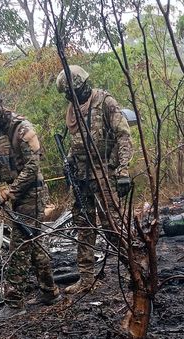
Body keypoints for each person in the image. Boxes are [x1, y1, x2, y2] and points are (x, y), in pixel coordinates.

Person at [0, 90, 62, 320]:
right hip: (18, 198)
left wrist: (9, 192)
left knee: (18, 248)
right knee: (35, 243)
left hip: (32, 195)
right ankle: (50, 292)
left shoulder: (23, 129)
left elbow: (32, 167)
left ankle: (14, 302)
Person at [55, 65, 133, 295]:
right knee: (84, 228)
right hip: (82, 178)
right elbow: (76, 142)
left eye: (72, 92)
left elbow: (123, 136)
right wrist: (68, 161)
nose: (70, 97)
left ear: (82, 86)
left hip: (105, 176)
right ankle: (87, 278)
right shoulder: (73, 110)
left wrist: (123, 171)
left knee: (113, 227)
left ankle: (133, 269)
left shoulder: (105, 102)